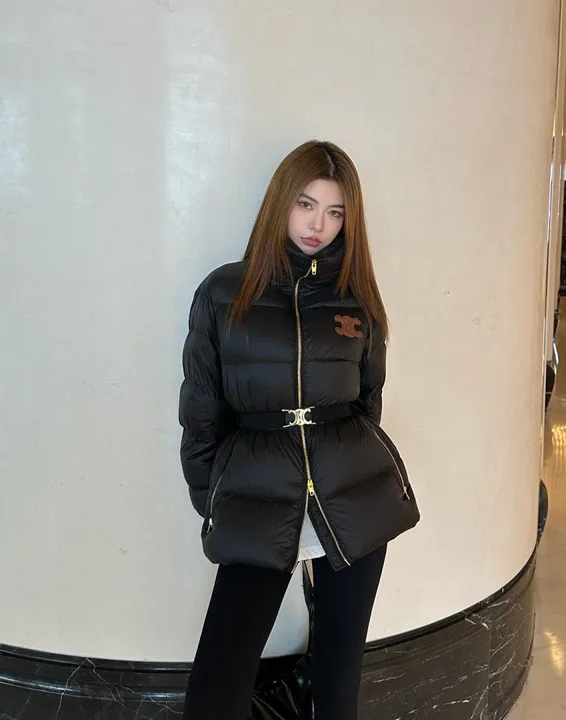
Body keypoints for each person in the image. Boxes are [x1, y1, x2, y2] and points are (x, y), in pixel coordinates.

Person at [178, 140, 420, 720]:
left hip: (354, 495)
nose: (318, 225)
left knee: (339, 680)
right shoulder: (223, 292)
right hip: (257, 494)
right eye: (306, 205)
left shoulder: (356, 299)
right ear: (280, 203)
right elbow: (201, 408)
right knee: (218, 686)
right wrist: (210, 494)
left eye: (335, 212)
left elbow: (367, 400)